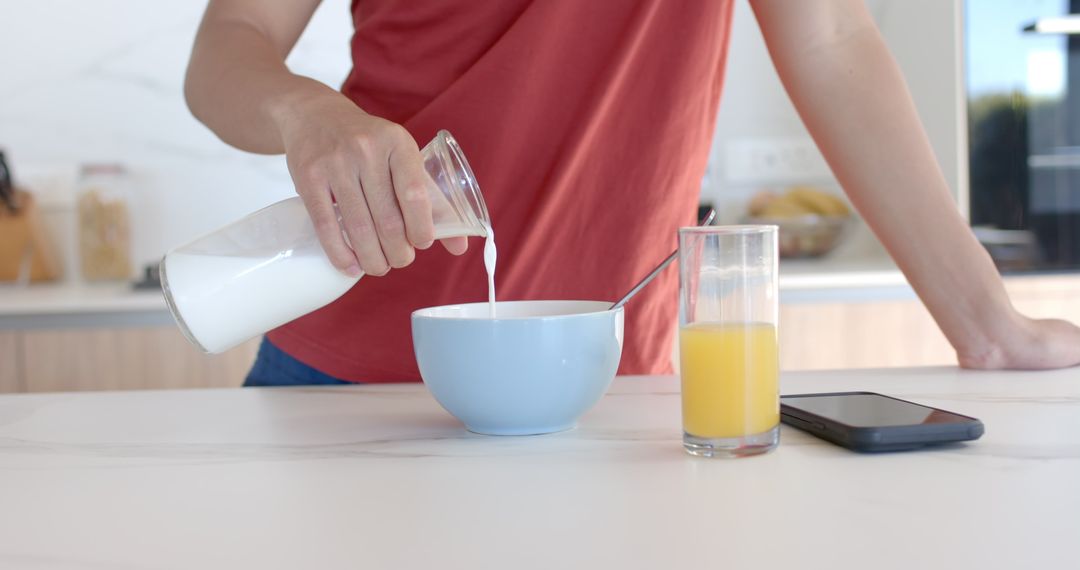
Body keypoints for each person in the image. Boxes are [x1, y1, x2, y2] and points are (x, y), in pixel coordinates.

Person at [184, 0, 1080, 387]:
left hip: (606, 388)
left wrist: (987, 325)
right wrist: (306, 113)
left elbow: (833, 39)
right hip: (347, 378)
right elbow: (230, 40)